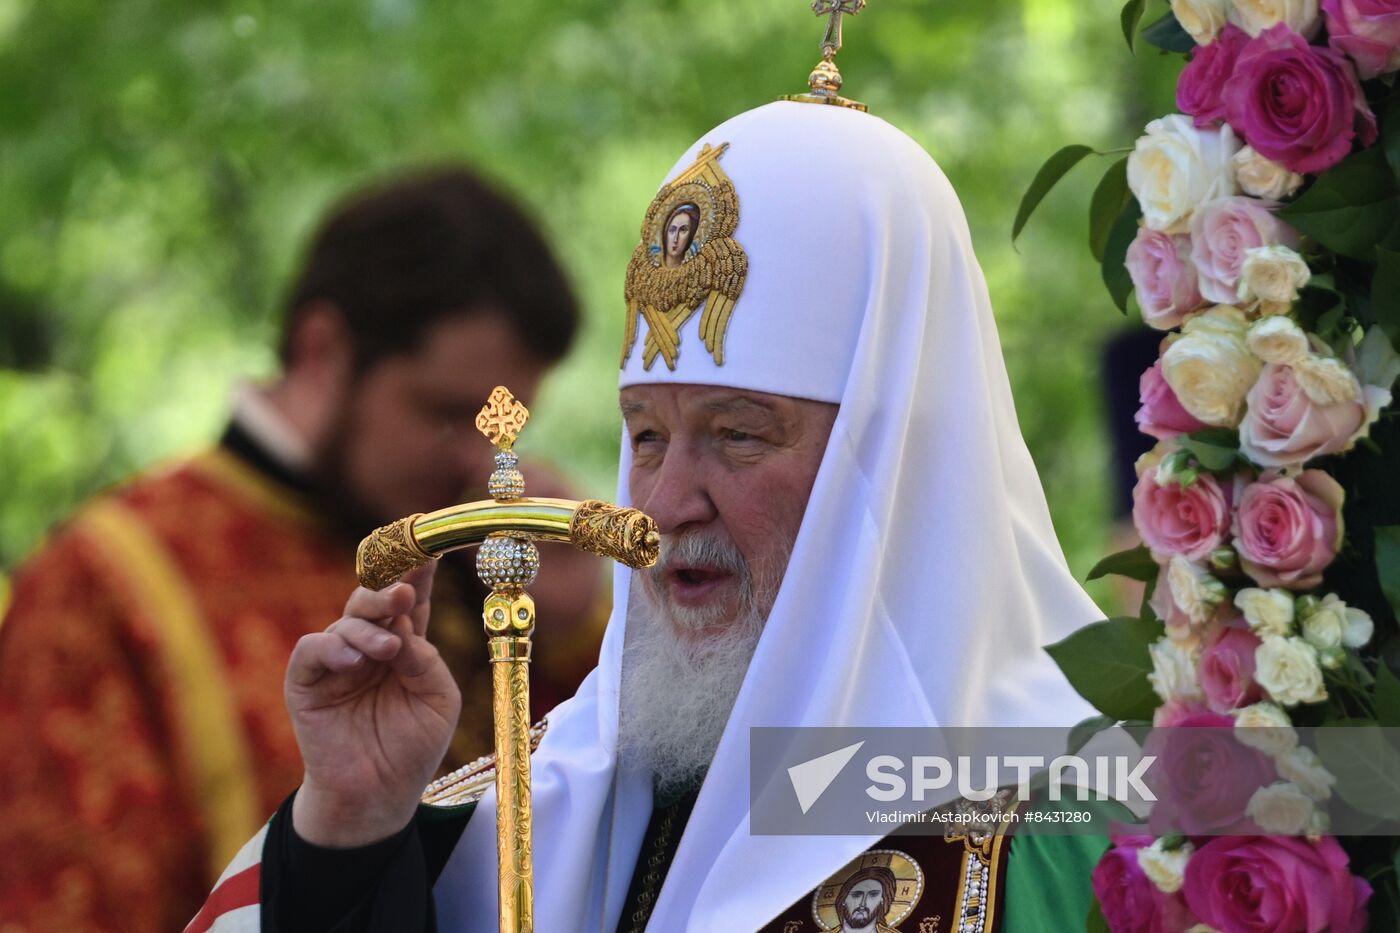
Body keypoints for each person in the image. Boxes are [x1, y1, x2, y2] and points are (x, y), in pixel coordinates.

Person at [190, 93, 1118, 932]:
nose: (667, 502)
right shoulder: (544, 802)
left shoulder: (1094, 827)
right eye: (644, 436)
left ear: (894, 465)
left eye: (739, 435)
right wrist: (350, 832)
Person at [0, 167, 609, 933]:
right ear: (324, 348)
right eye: (449, 413)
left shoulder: (469, 558)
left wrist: (570, 634)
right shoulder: (102, 581)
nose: (479, 462)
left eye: (505, 427)